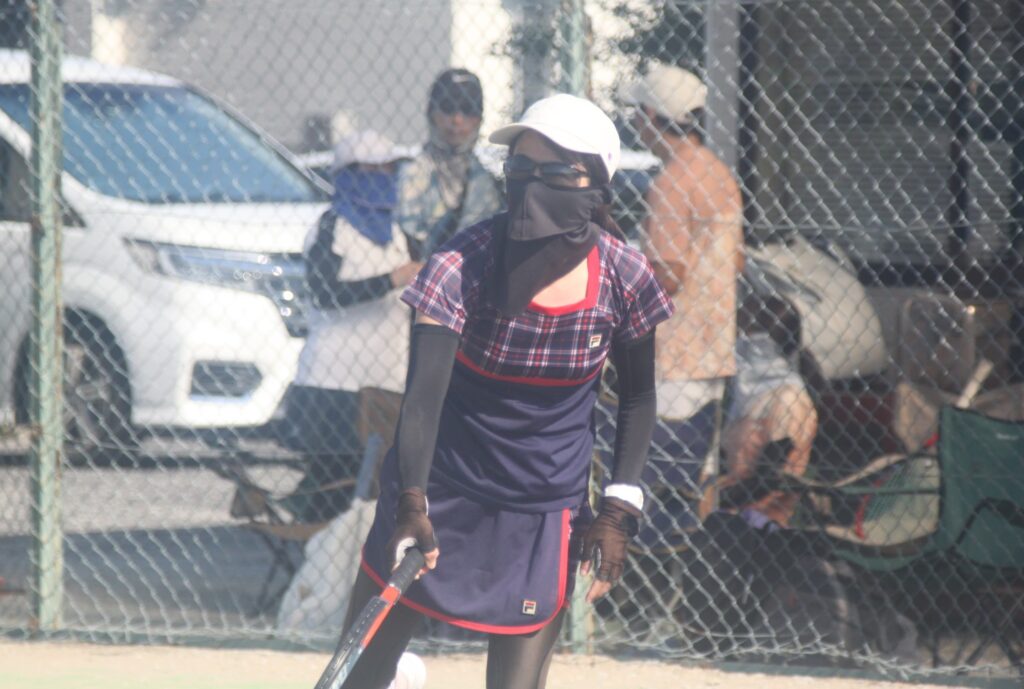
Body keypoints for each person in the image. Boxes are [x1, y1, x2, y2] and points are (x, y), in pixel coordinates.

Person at [337, 94, 675, 689]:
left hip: (542, 512)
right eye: (518, 168)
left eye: (553, 172)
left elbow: (639, 399)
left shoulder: (624, 277)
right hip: (439, 493)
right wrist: (410, 502)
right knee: (360, 677)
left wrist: (619, 508)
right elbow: (422, 399)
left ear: (595, 185)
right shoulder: (458, 266)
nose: (529, 187)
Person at [282, 130, 423, 522]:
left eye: (388, 170)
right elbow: (324, 292)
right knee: (333, 491)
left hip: (386, 383)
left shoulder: (401, 236)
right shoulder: (331, 227)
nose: (382, 179)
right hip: (334, 384)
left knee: (380, 493)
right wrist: (391, 279)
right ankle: (314, 555)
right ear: (346, 175)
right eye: (370, 171)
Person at [624, 64, 744, 499]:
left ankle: (660, 540)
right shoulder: (716, 172)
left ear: (651, 115)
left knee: (664, 472)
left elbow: (668, 276)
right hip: (714, 344)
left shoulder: (671, 183)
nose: (634, 122)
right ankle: (697, 534)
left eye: (636, 113)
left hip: (674, 351)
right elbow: (736, 260)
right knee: (701, 468)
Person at [718, 293, 819, 527]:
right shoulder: (744, 398)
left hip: (762, 516)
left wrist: (716, 497)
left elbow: (770, 479)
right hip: (731, 507)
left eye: (749, 342)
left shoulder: (788, 398)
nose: (740, 349)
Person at [396, 68, 503, 259]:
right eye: (448, 108)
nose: (457, 120)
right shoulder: (412, 172)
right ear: (432, 113)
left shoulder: (484, 180)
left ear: (479, 119)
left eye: (467, 110)